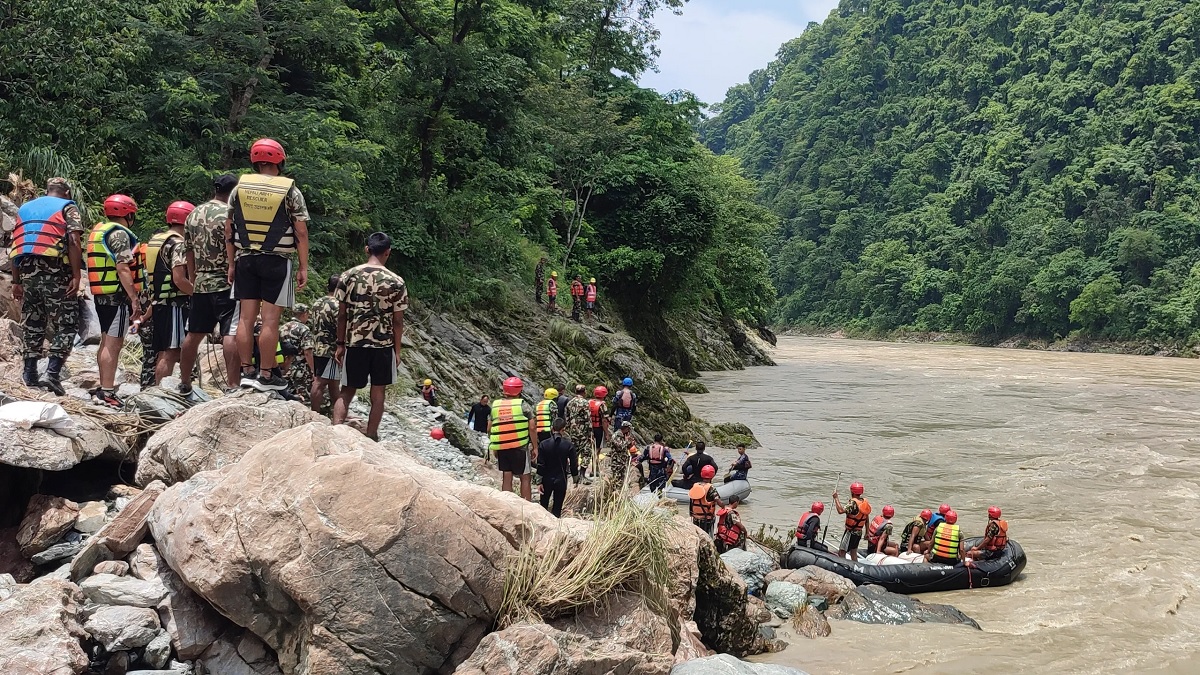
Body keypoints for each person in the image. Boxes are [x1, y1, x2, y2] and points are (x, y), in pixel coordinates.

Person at [227, 138, 309, 391]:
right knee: (271, 321)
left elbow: (228, 229)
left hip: (245, 260)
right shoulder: (290, 191)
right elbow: (301, 232)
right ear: (280, 160)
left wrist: (231, 263)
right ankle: (265, 375)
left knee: (245, 320)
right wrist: (303, 266)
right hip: (276, 261)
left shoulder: (238, 189)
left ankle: (247, 371)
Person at [10, 177, 84, 395]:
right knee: (67, 323)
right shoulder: (68, 207)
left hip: (27, 273)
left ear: (47, 190)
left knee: (33, 323)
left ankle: (30, 375)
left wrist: (16, 281)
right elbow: (73, 241)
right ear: (67, 193)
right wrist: (77, 275)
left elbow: (17, 245)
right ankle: (52, 374)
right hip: (56, 273)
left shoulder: (25, 208)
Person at [332, 232, 408, 440]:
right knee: (378, 393)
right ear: (388, 252)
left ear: (367, 249)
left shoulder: (348, 276)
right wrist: (397, 350)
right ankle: (371, 435)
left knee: (347, 390)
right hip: (383, 346)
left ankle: (336, 430)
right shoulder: (396, 281)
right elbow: (398, 321)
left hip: (355, 343)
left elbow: (341, 315)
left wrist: (340, 344)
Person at [179, 175, 240, 395]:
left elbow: (188, 250)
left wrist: (194, 279)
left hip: (201, 283)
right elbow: (234, 244)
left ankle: (184, 381)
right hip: (226, 281)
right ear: (233, 192)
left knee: (193, 334)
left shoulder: (193, 214)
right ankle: (233, 385)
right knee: (230, 334)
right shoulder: (230, 214)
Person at [85, 194, 144, 407]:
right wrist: (134, 298)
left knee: (105, 341)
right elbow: (123, 267)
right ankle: (108, 392)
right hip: (115, 296)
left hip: (102, 295)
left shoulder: (101, 230)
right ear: (127, 214)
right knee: (114, 343)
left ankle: (103, 387)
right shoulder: (119, 234)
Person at [148, 201, 195, 384]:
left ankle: (159, 389)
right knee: (172, 351)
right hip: (174, 305)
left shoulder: (158, 239)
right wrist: (197, 294)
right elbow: (179, 279)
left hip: (160, 303)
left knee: (164, 351)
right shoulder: (178, 243)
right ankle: (164, 392)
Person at [488, 376, 535, 500]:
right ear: (519, 390)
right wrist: (535, 447)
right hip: (520, 446)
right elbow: (532, 427)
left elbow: (489, 428)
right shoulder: (523, 405)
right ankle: (527, 505)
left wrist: (494, 445)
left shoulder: (496, 405)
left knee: (507, 475)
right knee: (525, 477)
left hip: (502, 446)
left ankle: (506, 502)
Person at [307, 274, 341, 411]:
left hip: (317, 346)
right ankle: (314, 413)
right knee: (320, 382)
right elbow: (341, 326)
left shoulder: (317, 303)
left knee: (333, 381)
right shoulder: (337, 305)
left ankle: (337, 411)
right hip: (330, 348)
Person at [536, 418, 578, 517]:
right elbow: (573, 464)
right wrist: (575, 479)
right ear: (563, 430)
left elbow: (541, 464)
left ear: (552, 428)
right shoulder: (568, 445)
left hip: (546, 479)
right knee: (557, 509)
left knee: (543, 507)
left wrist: (538, 481)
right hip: (561, 479)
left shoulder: (543, 444)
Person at [279, 303, 314, 403]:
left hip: (284, 367)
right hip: (300, 370)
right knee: (304, 399)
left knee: (286, 396)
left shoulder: (282, 328)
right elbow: (307, 352)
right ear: (304, 314)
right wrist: (314, 370)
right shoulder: (304, 329)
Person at [833, 482, 872, 562]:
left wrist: (836, 498)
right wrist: (867, 532)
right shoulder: (864, 503)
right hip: (859, 532)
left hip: (850, 532)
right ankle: (856, 567)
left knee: (842, 552)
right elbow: (866, 518)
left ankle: (843, 567)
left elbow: (840, 511)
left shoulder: (853, 504)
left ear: (852, 491)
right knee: (853, 553)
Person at [564, 384, 594, 477]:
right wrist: (591, 433)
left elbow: (567, 418)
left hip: (572, 432)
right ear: (584, 392)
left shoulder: (570, 402)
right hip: (583, 432)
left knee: (573, 452)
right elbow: (588, 419)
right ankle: (582, 475)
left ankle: (573, 473)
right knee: (586, 453)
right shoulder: (585, 403)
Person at [689, 465, 723, 533]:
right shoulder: (711, 488)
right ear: (712, 476)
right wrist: (725, 507)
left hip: (695, 518)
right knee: (707, 537)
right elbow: (719, 502)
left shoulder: (695, 485)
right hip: (706, 519)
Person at [607, 419, 638, 491]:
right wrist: (627, 441)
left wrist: (631, 443)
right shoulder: (616, 435)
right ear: (626, 428)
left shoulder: (624, 436)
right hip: (617, 461)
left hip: (623, 461)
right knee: (616, 479)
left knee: (622, 479)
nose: (629, 431)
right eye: (629, 429)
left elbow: (627, 447)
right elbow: (620, 446)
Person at [588, 386, 610, 458]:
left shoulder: (589, 402)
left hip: (590, 427)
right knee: (597, 447)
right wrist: (607, 433)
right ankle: (595, 463)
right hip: (598, 428)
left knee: (590, 445)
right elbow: (604, 420)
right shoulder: (602, 405)